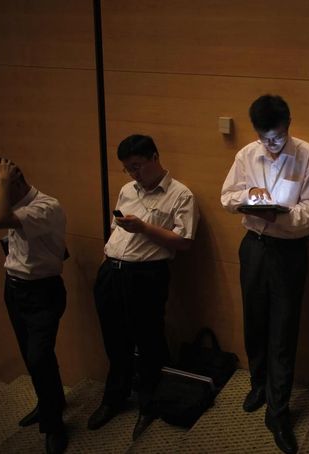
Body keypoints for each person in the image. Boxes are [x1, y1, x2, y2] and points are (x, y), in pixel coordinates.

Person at [221, 94, 309, 454]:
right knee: (254, 320)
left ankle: (278, 412)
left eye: (277, 137)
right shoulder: (247, 154)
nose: (271, 145)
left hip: (289, 251)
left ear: (288, 125)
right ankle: (258, 385)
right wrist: (250, 194)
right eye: (265, 138)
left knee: (283, 329)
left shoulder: (308, 155)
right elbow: (227, 195)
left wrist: (277, 214)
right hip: (253, 247)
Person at [87, 134, 199, 440]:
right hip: (112, 271)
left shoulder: (180, 195)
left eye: (137, 166)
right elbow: (115, 231)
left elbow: (185, 241)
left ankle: (148, 405)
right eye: (128, 169)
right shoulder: (127, 190)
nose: (134, 174)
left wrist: (145, 228)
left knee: (148, 341)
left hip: (147, 275)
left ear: (154, 157)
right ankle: (114, 398)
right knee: (114, 339)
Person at [0, 158, 68, 454]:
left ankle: (54, 426)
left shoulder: (46, 206)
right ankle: (49, 402)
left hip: (42, 293)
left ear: (13, 182)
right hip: (14, 288)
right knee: (32, 357)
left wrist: (3, 181)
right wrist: (2, 185)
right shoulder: (12, 205)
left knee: (40, 356)